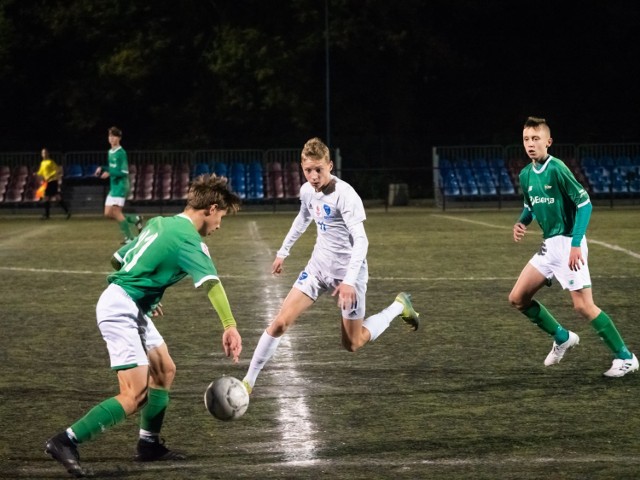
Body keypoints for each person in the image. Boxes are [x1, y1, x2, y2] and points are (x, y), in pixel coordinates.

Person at [45, 174, 243, 478]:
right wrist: (230, 325)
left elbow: (118, 259)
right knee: (134, 394)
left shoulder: (159, 222)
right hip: (121, 309)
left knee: (164, 369)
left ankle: (148, 445)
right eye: (222, 217)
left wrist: (144, 289)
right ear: (211, 208)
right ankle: (65, 441)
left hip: (131, 304)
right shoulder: (189, 239)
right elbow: (212, 285)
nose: (219, 225)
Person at [242, 137, 420, 395]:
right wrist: (283, 252)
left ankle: (398, 306)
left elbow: (361, 240)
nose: (313, 176)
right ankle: (248, 382)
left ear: (330, 166)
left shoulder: (345, 195)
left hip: (349, 276)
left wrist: (349, 281)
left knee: (353, 343)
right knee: (280, 322)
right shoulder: (306, 191)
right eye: (308, 170)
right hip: (317, 269)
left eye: (318, 170)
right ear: (302, 168)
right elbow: (303, 218)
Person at [509, 116, 638, 377]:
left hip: (568, 243)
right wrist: (522, 222)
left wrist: (577, 244)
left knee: (583, 306)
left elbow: (584, 203)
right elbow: (530, 205)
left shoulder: (557, 168)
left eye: (536, 139)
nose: (531, 144)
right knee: (518, 298)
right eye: (526, 139)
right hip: (549, 246)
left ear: (548, 142)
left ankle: (626, 358)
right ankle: (563, 337)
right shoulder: (525, 175)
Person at [95, 126, 142, 244]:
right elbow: (112, 168)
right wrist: (102, 168)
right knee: (108, 213)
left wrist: (109, 173)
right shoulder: (110, 152)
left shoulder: (121, 153)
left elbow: (124, 172)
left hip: (121, 186)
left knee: (116, 212)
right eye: (110, 136)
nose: (111, 138)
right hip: (113, 187)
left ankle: (129, 238)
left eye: (114, 136)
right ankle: (134, 218)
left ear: (119, 138)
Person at [36, 148, 71, 219]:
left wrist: (50, 176)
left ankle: (47, 215)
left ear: (48, 154)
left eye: (45, 153)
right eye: (42, 153)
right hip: (47, 182)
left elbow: (57, 170)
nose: (44, 154)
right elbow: (41, 172)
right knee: (54, 197)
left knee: (48, 197)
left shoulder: (50, 162)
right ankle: (67, 212)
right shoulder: (42, 163)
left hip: (52, 181)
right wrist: (36, 174)